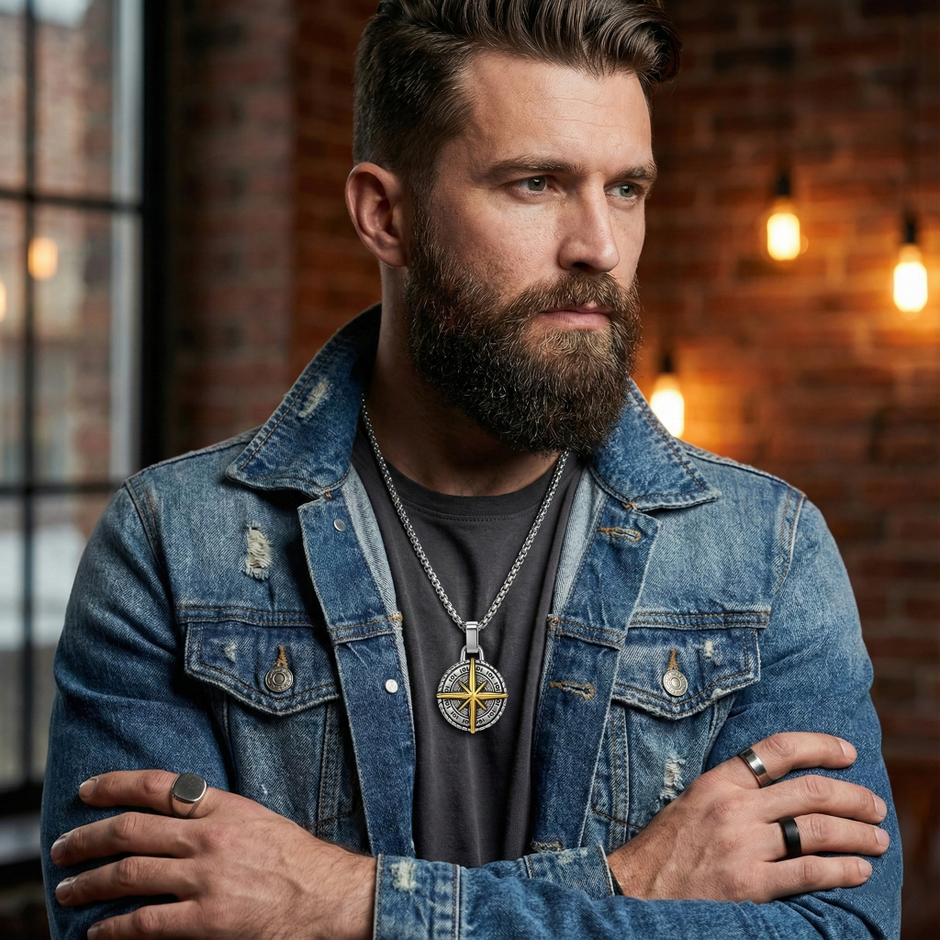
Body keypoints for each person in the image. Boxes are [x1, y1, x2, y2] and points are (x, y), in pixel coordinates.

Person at [41, 2, 901, 938]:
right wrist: (628, 886)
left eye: (626, 189)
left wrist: (342, 905)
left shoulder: (764, 554)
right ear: (385, 215)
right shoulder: (171, 547)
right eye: (536, 183)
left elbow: (841, 930)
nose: (599, 247)